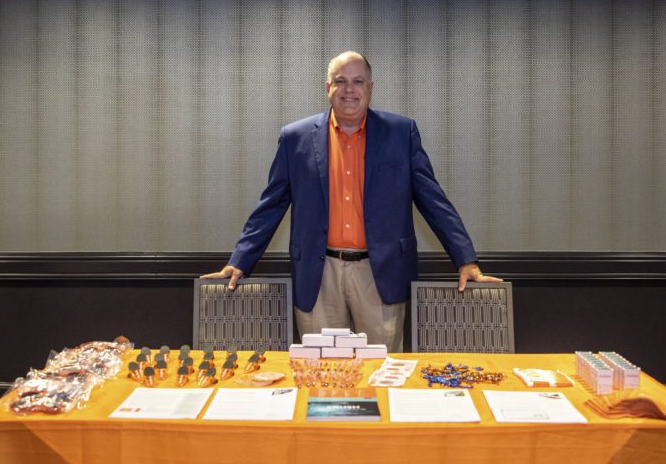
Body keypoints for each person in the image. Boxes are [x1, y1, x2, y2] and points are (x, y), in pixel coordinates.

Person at [202, 51, 500, 350]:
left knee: (381, 368)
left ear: (370, 87)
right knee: (320, 368)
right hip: (319, 275)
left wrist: (465, 259)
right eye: (340, 81)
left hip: (380, 273)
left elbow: (433, 199)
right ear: (327, 87)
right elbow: (272, 204)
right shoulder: (295, 137)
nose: (349, 90)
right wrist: (240, 261)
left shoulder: (401, 133)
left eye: (358, 81)